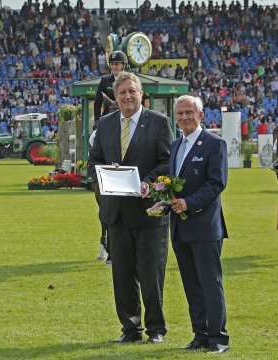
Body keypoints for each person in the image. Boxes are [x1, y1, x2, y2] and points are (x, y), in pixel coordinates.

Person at [88, 71, 172, 344]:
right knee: (122, 276)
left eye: (131, 92)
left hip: (148, 213)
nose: (127, 97)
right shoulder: (106, 123)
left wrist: (149, 181)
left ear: (141, 94)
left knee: (151, 275)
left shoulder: (159, 123)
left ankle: (156, 329)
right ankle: (130, 329)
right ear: (115, 96)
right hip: (117, 214)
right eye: (122, 92)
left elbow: (167, 162)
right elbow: (95, 160)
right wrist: (103, 183)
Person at [169, 95, 230, 353]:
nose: (184, 117)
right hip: (180, 227)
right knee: (191, 283)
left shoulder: (215, 144)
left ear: (201, 115)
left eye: (189, 112)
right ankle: (200, 334)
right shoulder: (175, 145)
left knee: (210, 283)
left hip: (205, 226)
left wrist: (189, 203)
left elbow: (217, 183)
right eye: (180, 113)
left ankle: (218, 338)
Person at [90, 50, 128, 263]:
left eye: (118, 64)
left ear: (123, 66)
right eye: (113, 64)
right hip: (106, 119)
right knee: (93, 141)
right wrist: (97, 123)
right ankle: (94, 174)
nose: (115, 67)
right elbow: (97, 102)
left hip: (125, 118)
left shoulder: (128, 81)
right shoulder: (105, 81)